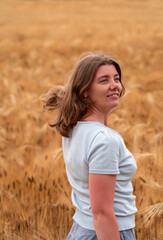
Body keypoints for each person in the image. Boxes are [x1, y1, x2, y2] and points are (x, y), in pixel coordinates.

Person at [41, 53, 137, 240]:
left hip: (81, 230)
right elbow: (101, 213)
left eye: (116, 79)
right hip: (107, 232)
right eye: (103, 80)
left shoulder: (74, 128)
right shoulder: (104, 139)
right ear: (85, 90)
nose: (115, 85)